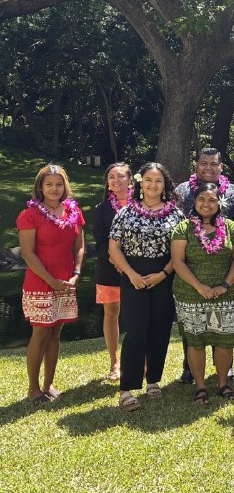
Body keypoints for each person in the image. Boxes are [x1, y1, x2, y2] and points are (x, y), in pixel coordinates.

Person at [109, 162, 183, 411]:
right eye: (148, 180)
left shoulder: (176, 215)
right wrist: (131, 274)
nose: (153, 185)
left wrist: (163, 274)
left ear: (165, 184)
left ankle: (153, 380)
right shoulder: (126, 212)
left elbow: (180, 252)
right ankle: (126, 389)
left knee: (160, 330)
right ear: (141, 183)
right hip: (133, 278)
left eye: (158, 180)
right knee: (136, 332)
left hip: (164, 277)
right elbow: (114, 248)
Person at [175, 147, 234, 383]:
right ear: (196, 165)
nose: (208, 167)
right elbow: (173, 218)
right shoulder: (182, 190)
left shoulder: (232, 190)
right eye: (204, 163)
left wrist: (224, 234)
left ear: (221, 166)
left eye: (214, 163)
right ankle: (190, 368)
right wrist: (197, 237)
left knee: (222, 325)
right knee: (192, 325)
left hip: (222, 261)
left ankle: (224, 370)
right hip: (190, 260)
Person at [17, 164, 85, 403]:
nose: (54, 189)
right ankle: (33, 389)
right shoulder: (29, 215)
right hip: (40, 282)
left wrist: (76, 273)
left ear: (65, 186)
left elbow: (79, 246)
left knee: (56, 332)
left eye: (58, 184)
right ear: (40, 187)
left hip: (65, 281)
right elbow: (27, 253)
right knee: (41, 332)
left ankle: (48, 384)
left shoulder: (74, 212)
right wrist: (50, 280)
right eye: (49, 184)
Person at [93, 162, 132, 381]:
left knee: (138, 314)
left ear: (129, 179)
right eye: (111, 177)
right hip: (109, 269)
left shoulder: (142, 204)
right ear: (107, 183)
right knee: (111, 314)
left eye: (120, 176)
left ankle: (141, 359)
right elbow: (100, 242)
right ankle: (114, 362)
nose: (116, 181)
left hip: (138, 269)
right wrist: (116, 260)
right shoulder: (102, 210)